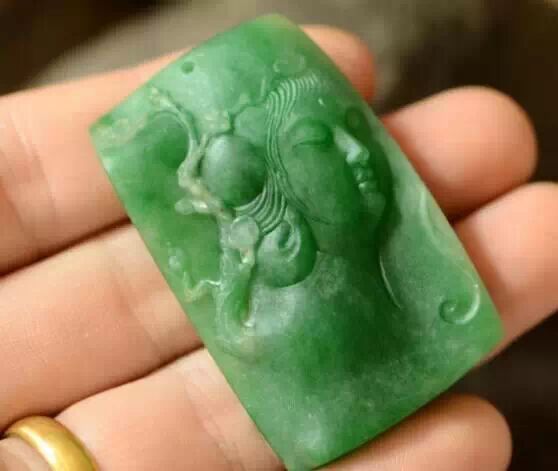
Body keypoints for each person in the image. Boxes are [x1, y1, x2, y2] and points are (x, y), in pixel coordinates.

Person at [0, 25, 553, 470]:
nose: (357, 149)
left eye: (349, 126)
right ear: (272, 188)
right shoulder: (296, 349)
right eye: (318, 139)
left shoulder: (414, 311)